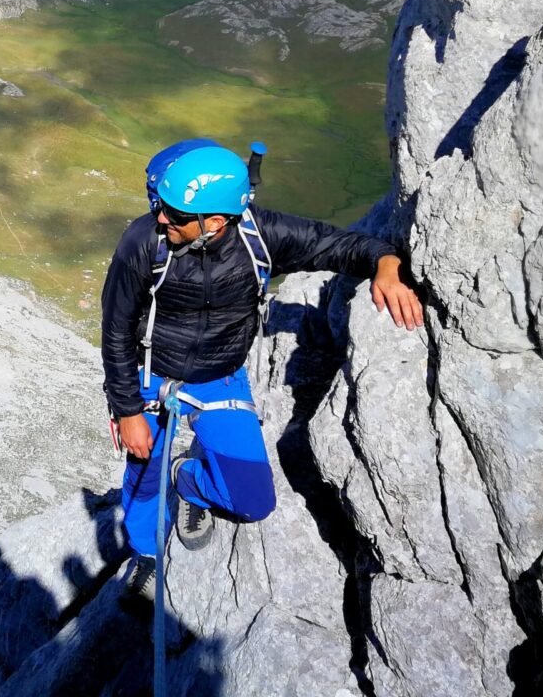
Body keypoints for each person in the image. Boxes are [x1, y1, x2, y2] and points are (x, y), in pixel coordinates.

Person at [100, 140, 422, 576]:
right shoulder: (144, 242)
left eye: (174, 215)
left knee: (253, 501)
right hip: (151, 372)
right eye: (163, 208)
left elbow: (341, 246)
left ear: (214, 221)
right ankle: (145, 552)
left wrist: (385, 263)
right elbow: (116, 329)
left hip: (220, 379)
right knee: (142, 467)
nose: (160, 218)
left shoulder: (261, 238)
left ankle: (190, 481)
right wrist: (127, 410)